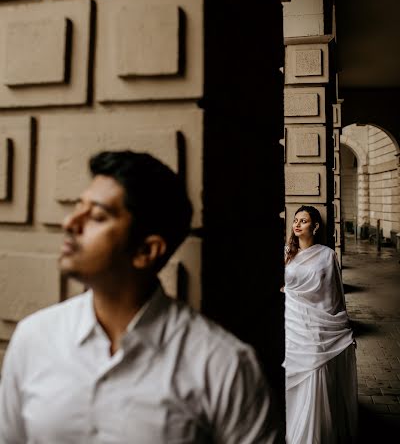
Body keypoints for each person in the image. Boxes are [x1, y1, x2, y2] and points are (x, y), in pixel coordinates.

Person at [0, 150, 283, 443]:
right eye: (77, 207)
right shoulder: (34, 338)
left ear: (147, 251)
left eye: (97, 216)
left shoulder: (224, 365)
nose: (70, 223)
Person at [282, 205, 358, 444]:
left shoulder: (327, 255)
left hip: (317, 325)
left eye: (303, 221)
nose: (297, 224)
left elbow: (333, 295)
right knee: (292, 377)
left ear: (314, 226)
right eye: (295, 220)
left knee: (315, 370)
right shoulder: (285, 253)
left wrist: (339, 326)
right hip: (292, 324)